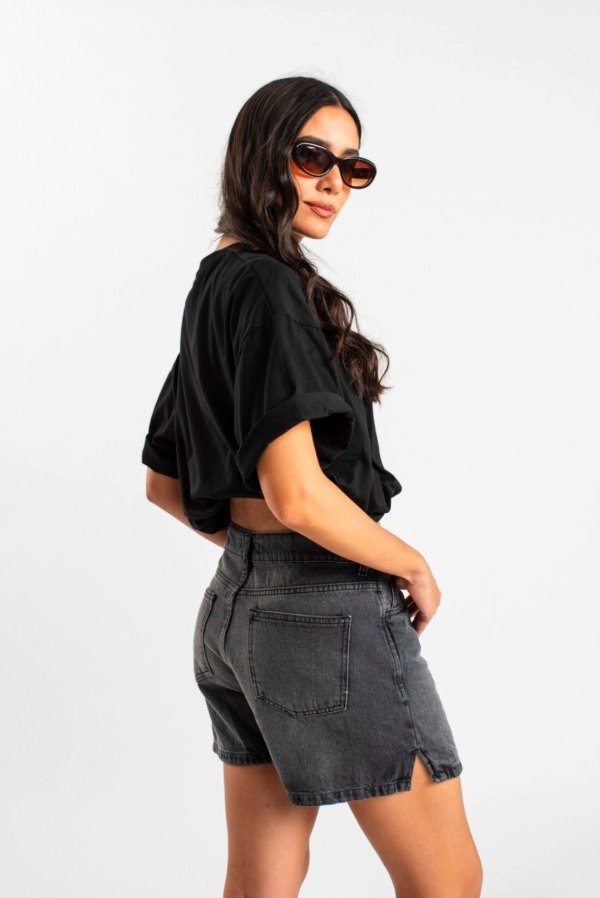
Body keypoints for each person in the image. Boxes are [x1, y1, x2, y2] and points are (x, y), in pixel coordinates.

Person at [141, 76, 483, 898]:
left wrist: (261, 565)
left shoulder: (216, 283)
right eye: (312, 158)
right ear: (262, 155)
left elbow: (164, 484)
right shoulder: (268, 287)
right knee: (448, 882)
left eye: (353, 167)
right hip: (326, 615)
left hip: (233, 616)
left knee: (262, 881)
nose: (335, 182)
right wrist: (408, 562)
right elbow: (295, 495)